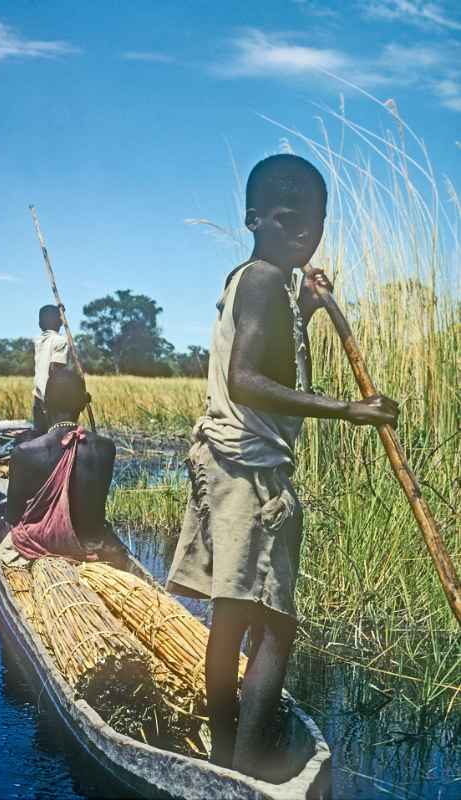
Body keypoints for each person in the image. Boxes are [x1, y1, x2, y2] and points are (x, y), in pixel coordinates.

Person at [166, 154, 399, 780]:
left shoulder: (265, 282)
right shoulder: (265, 279)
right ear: (254, 219)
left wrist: (316, 309)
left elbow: (273, 354)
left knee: (231, 618)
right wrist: (348, 410)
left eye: (315, 223)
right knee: (274, 629)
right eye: (290, 220)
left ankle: (222, 761)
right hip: (251, 473)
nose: (305, 235)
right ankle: (244, 772)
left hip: (230, 464)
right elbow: (246, 380)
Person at [0, 367, 115, 565]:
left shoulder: (24, 452)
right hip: (90, 547)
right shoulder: (106, 448)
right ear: (84, 404)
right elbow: (97, 509)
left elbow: (13, 515)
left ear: (44, 405)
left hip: (38, 549)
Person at [33, 304, 69, 434]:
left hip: (38, 398)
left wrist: (60, 316)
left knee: (40, 435)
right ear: (59, 322)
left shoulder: (38, 341)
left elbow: (50, 334)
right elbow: (56, 372)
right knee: (55, 437)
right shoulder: (61, 341)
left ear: (40, 324)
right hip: (53, 398)